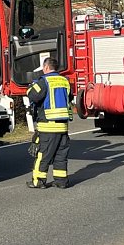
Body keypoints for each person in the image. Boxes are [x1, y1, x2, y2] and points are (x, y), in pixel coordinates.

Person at [26, 57, 73, 189]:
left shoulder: (44, 81)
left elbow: (33, 95)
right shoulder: (65, 81)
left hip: (48, 126)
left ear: (46, 67)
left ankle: (38, 181)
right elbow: (70, 97)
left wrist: (32, 85)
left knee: (43, 155)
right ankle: (61, 181)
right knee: (61, 155)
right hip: (63, 127)